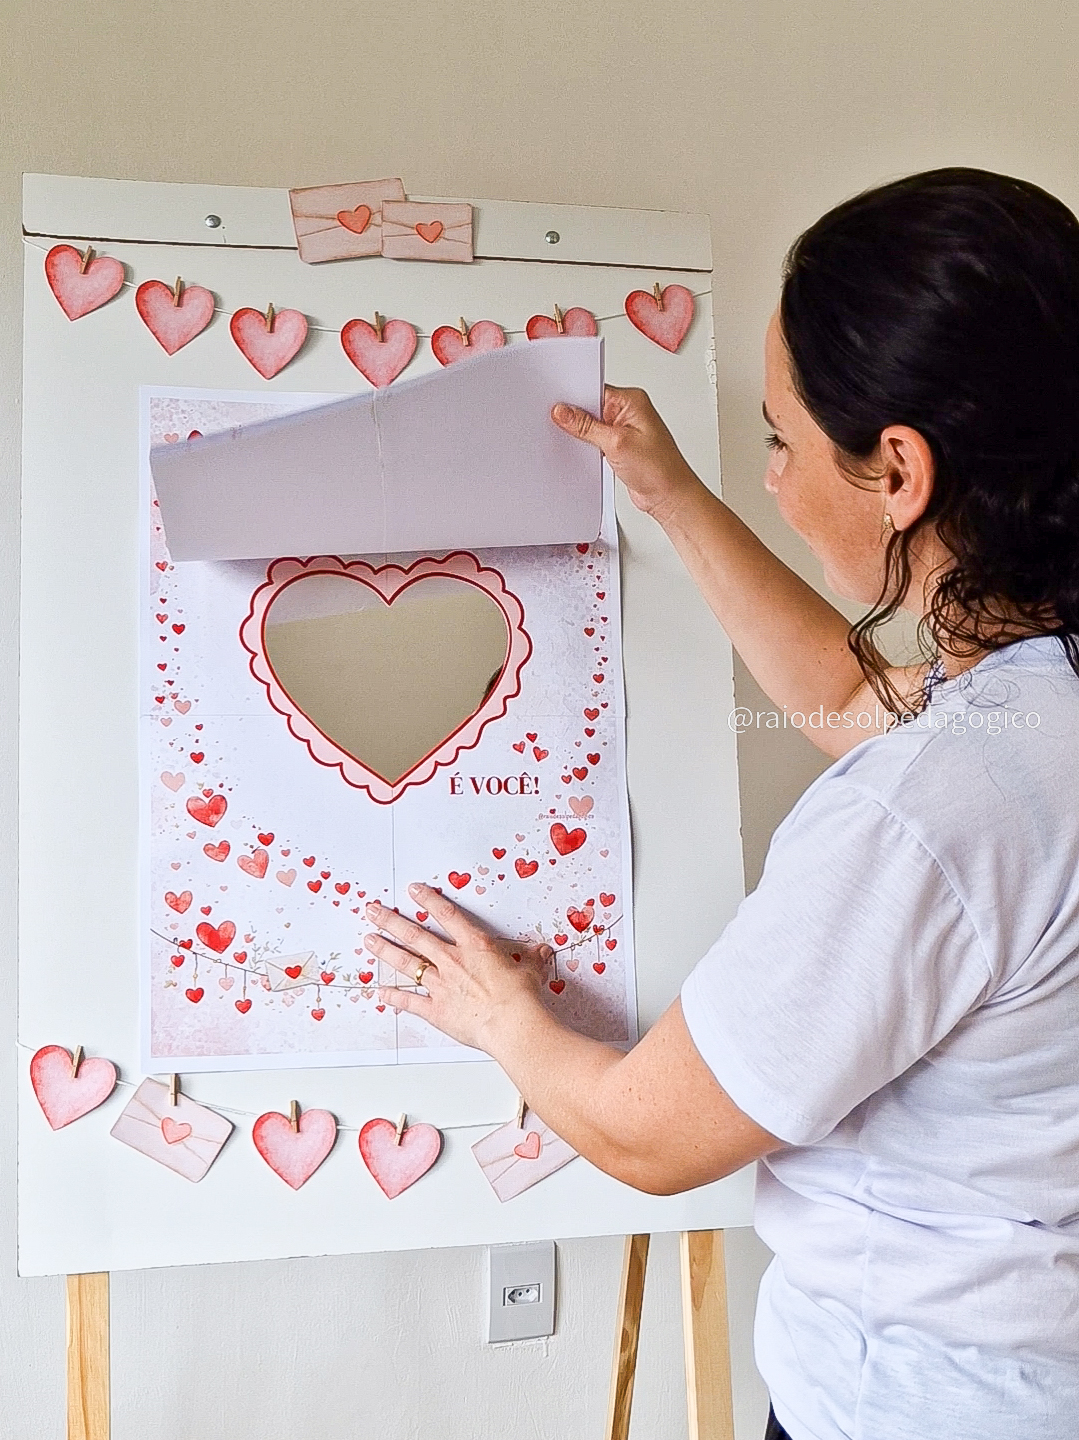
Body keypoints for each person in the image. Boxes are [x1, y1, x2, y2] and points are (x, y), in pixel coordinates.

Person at [363, 169, 1079, 1440]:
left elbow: (647, 1137)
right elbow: (859, 702)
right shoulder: (1032, 710)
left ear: (897, 470)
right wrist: (672, 497)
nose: (773, 479)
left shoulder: (924, 814)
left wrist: (494, 1015)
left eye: (779, 441)